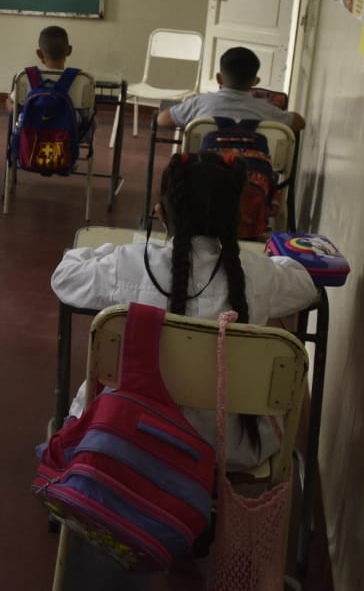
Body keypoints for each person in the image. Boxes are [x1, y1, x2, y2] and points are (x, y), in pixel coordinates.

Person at [50, 153, 316, 470]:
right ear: (236, 217)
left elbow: (65, 278)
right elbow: (306, 286)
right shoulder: (259, 275)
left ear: (162, 212)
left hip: (129, 439)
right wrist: (273, 261)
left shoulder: (131, 264)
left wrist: (111, 251)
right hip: (232, 450)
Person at [157, 46, 305, 132]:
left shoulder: (199, 103)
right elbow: (300, 122)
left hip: (204, 175)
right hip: (249, 177)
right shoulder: (265, 110)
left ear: (219, 78)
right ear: (256, 82)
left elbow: (162, 120)